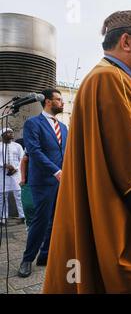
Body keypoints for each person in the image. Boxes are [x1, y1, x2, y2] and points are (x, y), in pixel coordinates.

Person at [42, 10, 131, 293]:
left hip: (121, 216)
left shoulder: (114, 79)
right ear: (126, 42)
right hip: (122, 224)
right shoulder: (109, 79)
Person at [17, 89, 67, 278]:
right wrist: (56, 171)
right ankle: (27, 259)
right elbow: (34, 151)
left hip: (61, 181)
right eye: (58, 99)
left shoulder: (63, 127)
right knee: (41, 220)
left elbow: (66, 153)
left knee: (55, 220)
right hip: (43, 181)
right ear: (47, 102)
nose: (62, 103)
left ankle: (45, 255)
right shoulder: (32, 123)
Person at [0, 128, 25, 225]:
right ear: (3, 135)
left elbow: (22, 158)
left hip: (16, 173)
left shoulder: (17, 146)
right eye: (8, 133)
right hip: (2, 173)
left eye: (11, 132)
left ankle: (22, 216)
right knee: (2, 196)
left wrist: (16, 168)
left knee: (18, 195)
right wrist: (4, 165)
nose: (11, 134)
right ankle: (3, 217)